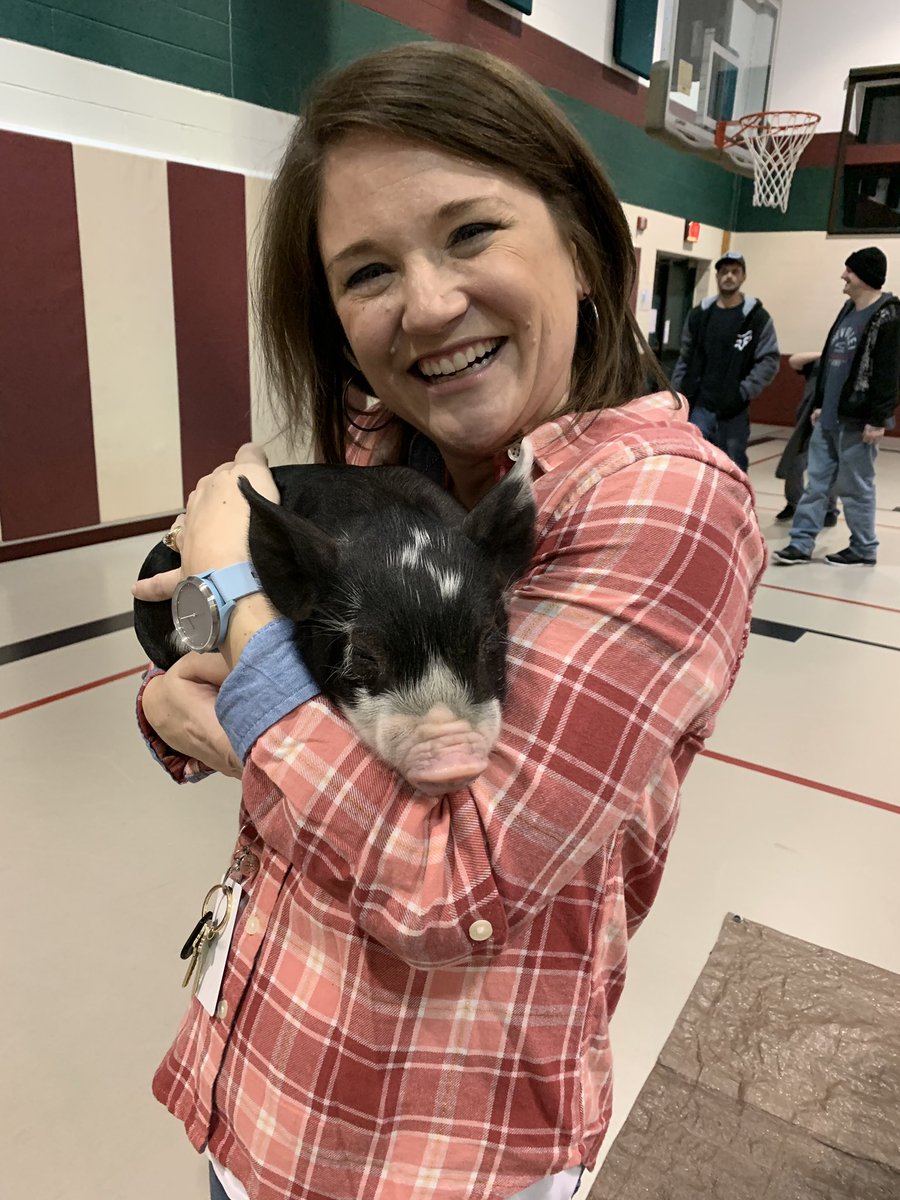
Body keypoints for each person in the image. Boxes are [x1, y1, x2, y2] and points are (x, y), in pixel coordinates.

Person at [132, 42, 765, 1200]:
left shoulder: (661, 502)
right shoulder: (385, 454)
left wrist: (235, 610)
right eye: (368, 272)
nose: (426, 306)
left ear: (582, 245)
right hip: (265, 1092)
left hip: (438, 1154)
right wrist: (204, 634)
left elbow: (448, 886)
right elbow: (240, 686)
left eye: (471, 233)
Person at [774, 247, 899, 566]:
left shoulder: (887, 316)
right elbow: (831, 359)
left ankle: (863, 548)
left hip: (858, 420)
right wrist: (819, 404)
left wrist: (878, 418)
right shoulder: (847, 310)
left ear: (865, 276)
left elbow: (890, 372)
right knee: (816, 485)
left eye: (850, 270)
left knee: (855, 487)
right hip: (829, 417)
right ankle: (801, 543)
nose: (844, 275)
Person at [670, 250, 780, 471]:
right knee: (695, 462)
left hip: (733, 410)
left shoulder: (756, 318)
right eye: (724, 271)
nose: (729, 276)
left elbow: (769, 360)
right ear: (717, 276)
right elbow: (686, 356)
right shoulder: (699, 315)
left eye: (735, 271)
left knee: (733, 467)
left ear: (743, 276)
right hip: (699, 406)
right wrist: (677, 393)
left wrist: (743, 391)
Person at [774, 353, 839, 526]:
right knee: (794, 463)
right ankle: (794, 503)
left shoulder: (844, 364)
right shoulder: (818, 362)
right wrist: (825, 352)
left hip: (831, 421)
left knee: (827, 467)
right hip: (806, 423)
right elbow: (794, 361)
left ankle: (829, 509)